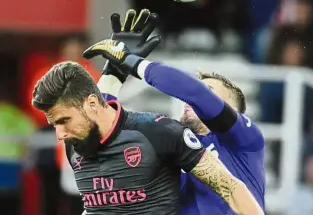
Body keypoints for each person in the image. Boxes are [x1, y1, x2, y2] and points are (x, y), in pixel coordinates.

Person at [32, 13, 263, 215]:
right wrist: (114, 71)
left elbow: (193, 92)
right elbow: (99, 114)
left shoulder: (245, 141)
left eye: (210, 92)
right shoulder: (172, 149)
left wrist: (132, 62)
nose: (192, 100)